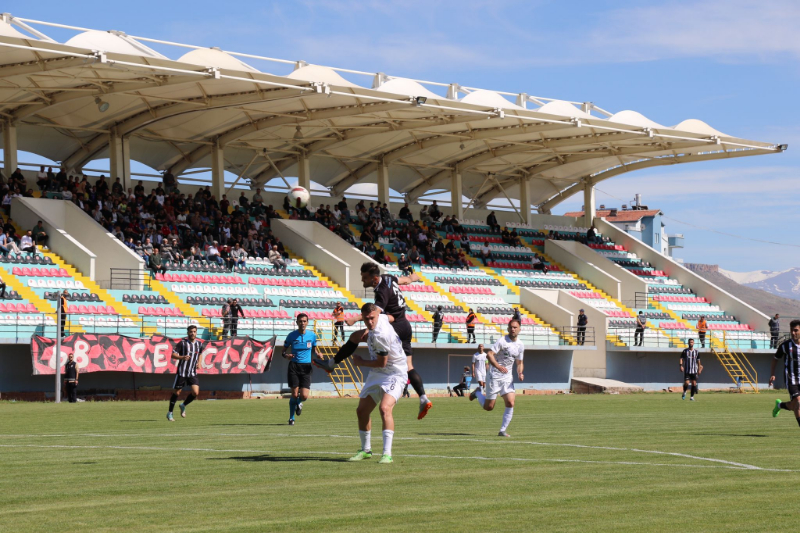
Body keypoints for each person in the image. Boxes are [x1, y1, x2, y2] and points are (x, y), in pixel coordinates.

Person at [314, 262, 432, 420]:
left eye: (365, 278)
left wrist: (355, 319)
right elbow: (406, 280)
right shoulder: (389, 278)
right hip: (405, 325)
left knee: (356, 337)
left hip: (393, 325)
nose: (363, 281)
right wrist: (414, 277)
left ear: (375, 279)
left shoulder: (381, 291)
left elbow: (375, 313)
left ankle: (332, 364)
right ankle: (423, 398)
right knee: (409, 366)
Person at [348, 303, 408, 464]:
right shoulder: (381, 317)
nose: (369, 322)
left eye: (372, 318)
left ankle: (387, 454)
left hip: (395, 372)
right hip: (378, 373)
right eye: (366, 319)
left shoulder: (380, 335)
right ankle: (366, 450)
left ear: (376, 314)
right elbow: (391, 317)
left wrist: (361, 362)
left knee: (384, 408)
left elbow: (381, 363)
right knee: (361, 411)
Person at [469, 319, 525, 437]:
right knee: (489, 407)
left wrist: (520, 373)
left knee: (510, 402)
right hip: (494, 376)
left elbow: (519, 362)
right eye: (511, 327)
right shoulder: (502, 341)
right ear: (508, 328)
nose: (513, 329)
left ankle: (502, 430)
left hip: (507, 378)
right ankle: (478, 393)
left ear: (519, 329)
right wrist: (498, 366)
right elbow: (489, 354)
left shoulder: (520, 345)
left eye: (515, 327)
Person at [282, 313, 320, 426]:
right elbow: (283, 352)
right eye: (300, 321)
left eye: (304, 321)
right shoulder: (291, 336)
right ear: (296, 322)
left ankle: (299, 403)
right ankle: (291, 418)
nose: (302, 323)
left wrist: (318, 354)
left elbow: (314, 350)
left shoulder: (312, 336)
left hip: (306, 367)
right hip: (294, 366)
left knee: (304, 396)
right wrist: (286, 355)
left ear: (307, 322)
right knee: (294, 394)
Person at [167, 325, 203, 422]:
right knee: (177, 392)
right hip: (182, 372)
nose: (193, 333)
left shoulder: (199, 344)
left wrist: (199, 362)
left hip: (192, 372)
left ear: (196, 332)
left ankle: (183, 405)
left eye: (194, 331)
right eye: (191, 331)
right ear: (188, 333)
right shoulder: (182, 343)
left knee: (195, 392)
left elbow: (200, 354)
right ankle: (170, 413)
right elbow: (172, 354)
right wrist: (182, 357)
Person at [771, 320, 800, 423]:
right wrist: (772, 374)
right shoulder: (785, 345)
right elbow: (775, 358)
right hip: (791, 379)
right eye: (792, 330)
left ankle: (779, 405)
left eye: (796, 330)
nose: (793, 333)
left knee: (794, 405)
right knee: (798, 402)